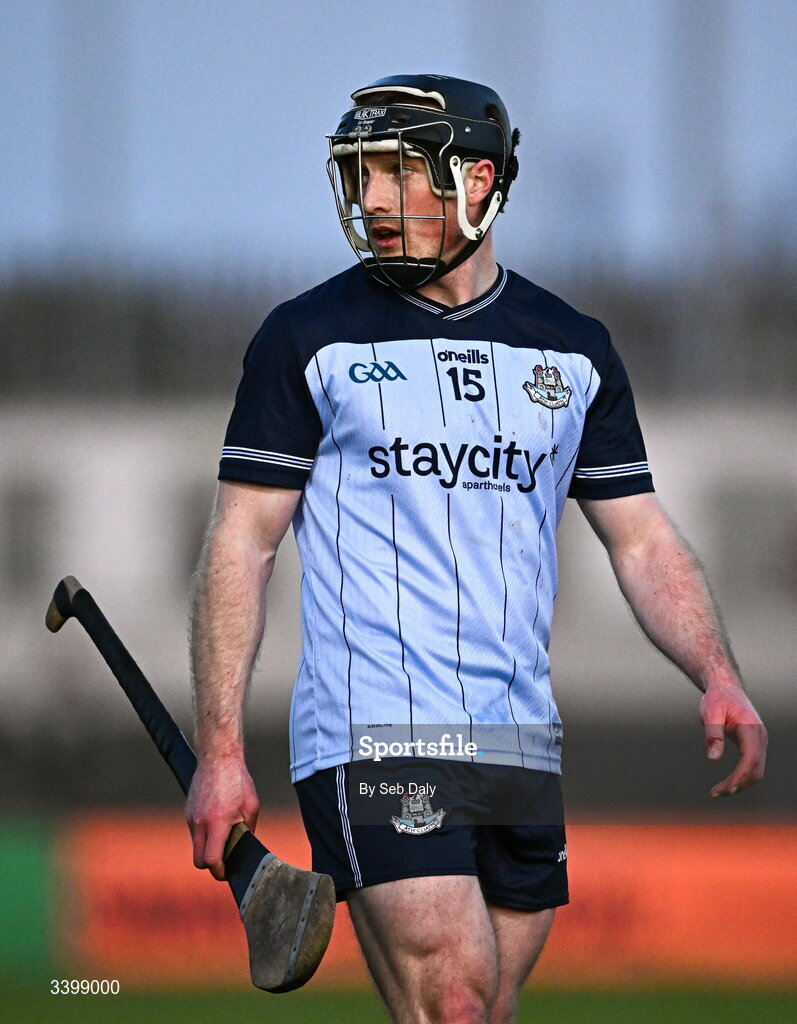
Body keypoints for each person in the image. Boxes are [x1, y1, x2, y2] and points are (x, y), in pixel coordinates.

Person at [185, 75, 767, 1024]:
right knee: (454, 1001)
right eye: (361, 175)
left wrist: (716, 671)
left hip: (516, 737)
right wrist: (220, 750)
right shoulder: (306, 338)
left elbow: (641, 539)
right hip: (372, 731)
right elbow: (239, 545)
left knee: (481, 1013)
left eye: (398, 174)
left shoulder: (572, 349)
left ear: (478, 181)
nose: (371, 200)